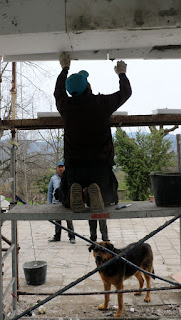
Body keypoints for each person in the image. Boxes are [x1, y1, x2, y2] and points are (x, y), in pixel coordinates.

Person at [54, 53, 132, 214]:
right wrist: (122, 74)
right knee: (109, 198)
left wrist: (64, 69)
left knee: (63, 196)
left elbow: (58, 92)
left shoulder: (65, 106)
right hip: (100, 166)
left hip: (74, 167)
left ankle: (74, 194)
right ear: (88, 87)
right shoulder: (101, 103)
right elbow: (126, 93)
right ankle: (92, 194)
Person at [47, 160, 76, 244]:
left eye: (62, 167)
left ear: (65, 168)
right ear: (57, 168)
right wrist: (49, 204)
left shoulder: (69, 178)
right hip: (56, 203)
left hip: (66, 203)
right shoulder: (53, 179)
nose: (61, 169)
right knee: (57, 221)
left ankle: (72, 237)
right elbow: (49, 191)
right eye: (59, 167)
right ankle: (57, 236)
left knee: (69, 220)